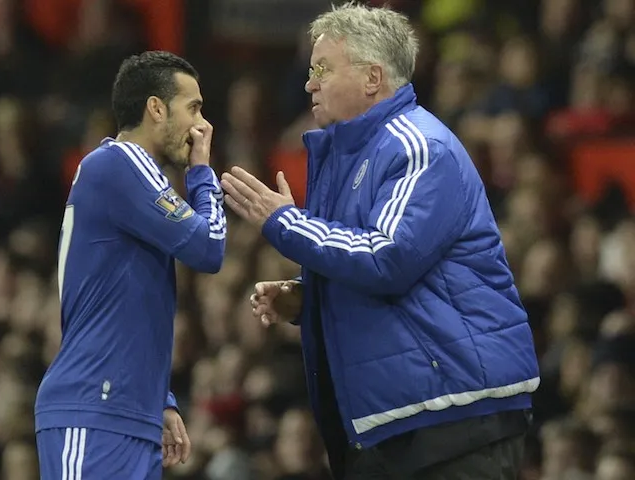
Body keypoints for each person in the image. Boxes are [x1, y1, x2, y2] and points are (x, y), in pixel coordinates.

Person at [220, 3, 539, 479]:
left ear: (372, 77)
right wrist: (309, 299)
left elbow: (387, 257)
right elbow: (373, 267)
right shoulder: (350, 156)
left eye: (322, 69)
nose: (309, 84)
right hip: (396, 423)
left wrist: (284, 222)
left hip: (453, 416)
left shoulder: (418, 146)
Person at [34, 51, 227, 479]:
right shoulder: (121, 163)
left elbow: (129, 297)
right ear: (156, 108)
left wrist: (159, 399)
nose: (202, 126)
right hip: (92, 407)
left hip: (125, 410)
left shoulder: (128, 178)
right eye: (193, 108)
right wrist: (201, 171)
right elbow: (209, 246)